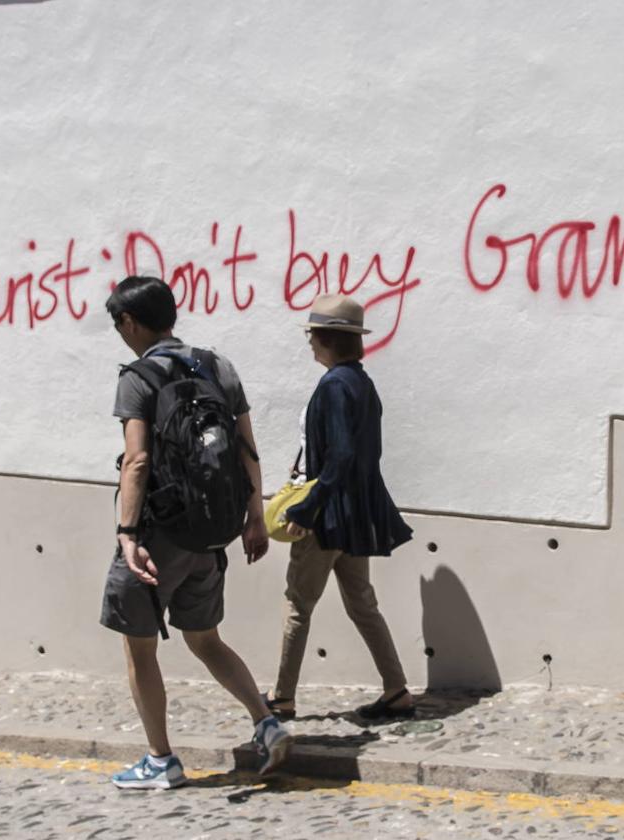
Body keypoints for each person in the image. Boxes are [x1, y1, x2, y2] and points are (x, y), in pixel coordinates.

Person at [99, 276, 291, 789]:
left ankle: (161, 760)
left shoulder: (138, 377)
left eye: (118, 323)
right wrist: (254, 517)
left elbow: (137, 461)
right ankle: (266, 723)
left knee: (139, 648)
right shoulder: (218, 365)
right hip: (213, 533)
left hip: (160, 535)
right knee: (205, 638)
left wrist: (127, 535)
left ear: (130, 322)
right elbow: (248, 450)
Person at [265, 294, 416, 721]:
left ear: (327, 339)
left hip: (327, 518)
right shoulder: (361, 382)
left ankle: (282, 698)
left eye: (313, 335)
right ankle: (396, 689)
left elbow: (341, 455)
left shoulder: (333, 385)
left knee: (297, 605)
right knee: (363, 604)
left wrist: (307, 508)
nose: (310, 343)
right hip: (355, 516)